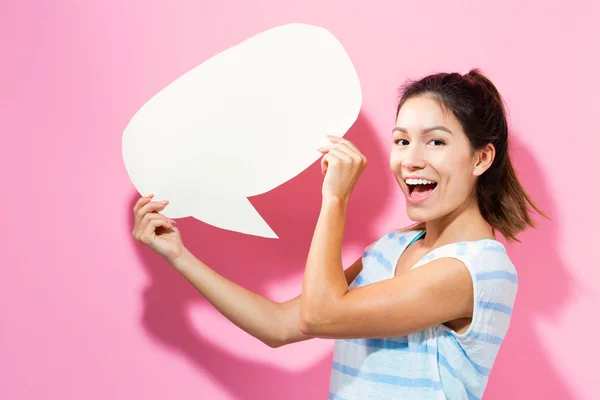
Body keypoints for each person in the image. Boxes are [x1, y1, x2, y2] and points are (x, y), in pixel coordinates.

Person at [132, 68, 545, 399]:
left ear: (481, 157)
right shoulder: (390, 250)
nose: (411, 160)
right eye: (401, 141)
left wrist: (335, 200)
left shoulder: (477, 269)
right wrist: (178, 255)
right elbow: (279, 326)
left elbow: (320, 315)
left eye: (435, 142)